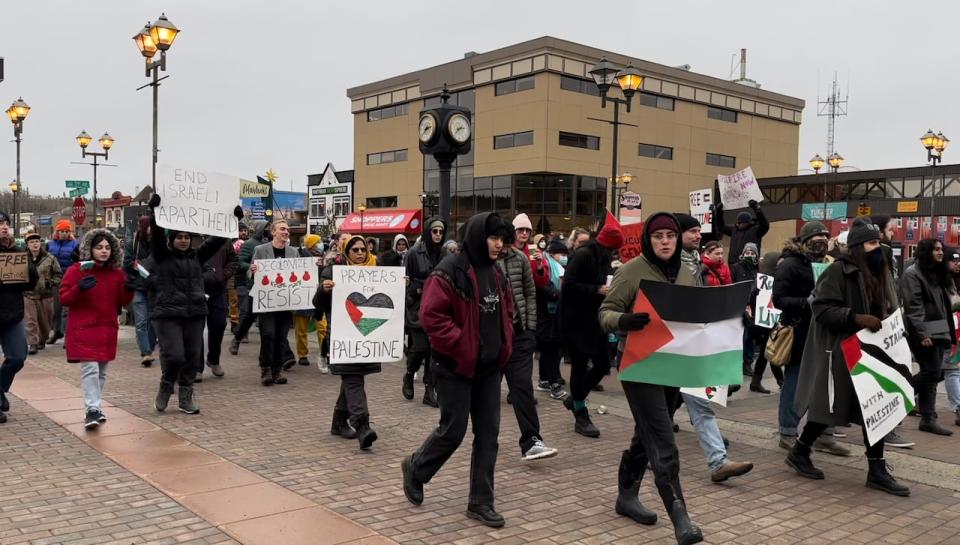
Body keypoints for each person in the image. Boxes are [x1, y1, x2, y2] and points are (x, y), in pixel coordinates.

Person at [402, 212, 514, 528]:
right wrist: (465, 345)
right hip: (455, 367)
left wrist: (505, 344)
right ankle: (416, 467)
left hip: (490, 369)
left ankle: (481, 501)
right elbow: (431, 316)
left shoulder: (497, 272)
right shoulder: (449, 271)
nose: (498, 244)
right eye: (493, 238)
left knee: (489, 435)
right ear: (478, 236)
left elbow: (506, 310)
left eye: (501, 239)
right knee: (453, 430)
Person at [598, 212, 703, 545]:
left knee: (647, 433)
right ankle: (680, 516)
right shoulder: (631, 271)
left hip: (673, 365)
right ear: (648, 239)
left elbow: (699, 318)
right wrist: (624, 320)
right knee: (662, 437)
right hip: (639, 363)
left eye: (670, 236)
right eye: (658, 236)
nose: (665, 242)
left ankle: (625, 495)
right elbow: (605, 313)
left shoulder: (687, 273)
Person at [787, 218, 911, 496]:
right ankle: (800, 451)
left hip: (874, 350)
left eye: (878, 241)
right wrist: (855, 318)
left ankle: (876, 470)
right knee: (829, 408)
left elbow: (890, 305)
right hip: (843, 350)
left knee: (875, 408)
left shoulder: (881, 271)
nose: (877, 247)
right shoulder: (837, 272)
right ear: (856, 247)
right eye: (871, 242)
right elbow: (821, 309)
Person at [146, 194, 236, 414]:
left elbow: (216, 240)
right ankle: (166, 385)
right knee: (175, 355)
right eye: (179, 237)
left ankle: (186, 396)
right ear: (171, 240)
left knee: (192, 356)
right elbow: (157, 235)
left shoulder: (197, 257)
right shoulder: (162, 256)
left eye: (187, 237)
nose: (184, 240)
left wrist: (231, 219)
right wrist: (154, 211)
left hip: (194, 313)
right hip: (168, 314)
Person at [773, 222, 851, 456]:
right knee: (795, 383)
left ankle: (824, 435)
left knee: (828, 384)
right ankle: (787, 432)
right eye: (816, 238)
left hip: (826, 332)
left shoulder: (830, 264)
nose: (821, 242)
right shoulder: (790, 264)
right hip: (799, 332)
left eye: (824, 237)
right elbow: (779, 300)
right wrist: (806, 302)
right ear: (805, 241)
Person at [60, 229, 133, 428]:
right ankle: (92, 409)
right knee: (90, 370)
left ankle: (96, 407)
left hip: (107, 328)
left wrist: (131, 287)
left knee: (101, 371)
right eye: (99, 247)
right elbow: (64, 299)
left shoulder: (116, 273)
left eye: (108, 248)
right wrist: (79, 288)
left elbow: (124, 301)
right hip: (84, 329)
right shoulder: (77, 270)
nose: (103, 251)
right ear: (89, 248)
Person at [315, 235, 381, 449]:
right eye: (355, 250)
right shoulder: (333, 271)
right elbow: (318, 303)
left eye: (363, 249)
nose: (360, 253)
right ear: (346, 251)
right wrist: (324, 290)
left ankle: (337, 422)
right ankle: (362, 427)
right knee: (354, 379)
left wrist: (401, 286)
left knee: (353, 379)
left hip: (366, 336)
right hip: (343, 336)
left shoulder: (376, 271)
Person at [499, 217, 557, 461]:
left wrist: (530, 328)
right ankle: (485, 437)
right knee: (487, 392)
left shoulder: (521, 258)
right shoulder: (479, 262)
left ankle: (532, 440)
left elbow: (531, 293)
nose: (499, 243)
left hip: (520, 334)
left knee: (522, 386)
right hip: (491, 338)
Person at [561, 211, 622, 437]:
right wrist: (597, 290)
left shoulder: (602, 259)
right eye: (614, 250)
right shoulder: (583, 255)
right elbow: (567, 287)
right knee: (578, 367)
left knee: (603, 365)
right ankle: (580, 412)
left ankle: (575, 397)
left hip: (595, 321)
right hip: (576, 321)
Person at [900, 238, 958, 436]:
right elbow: (914, 306)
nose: (941, 253)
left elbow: (944, 306)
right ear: (926, 251)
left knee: (934, 373)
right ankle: (899, 395)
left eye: (942, 249)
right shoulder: (913, 274)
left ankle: (928, 418)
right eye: (936, 249)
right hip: (922, 330)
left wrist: (949, 335)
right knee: (932, 372)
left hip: (939, 328)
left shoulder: (937, 273)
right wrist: (923, 333)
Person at [249, 220, 299, 386]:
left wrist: (313, 266)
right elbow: (251, 272)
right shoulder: (260, 250)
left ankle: (277, 371)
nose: (286, 232)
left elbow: (299, 274)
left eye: (288, 229)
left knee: (281, 337)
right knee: (268, 335)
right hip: (267, 302)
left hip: (285, 303)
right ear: (273, 232)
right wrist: (253, 270)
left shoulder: (293, 252)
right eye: (283, 229)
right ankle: (265, 368)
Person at [0, 211, 38, 424]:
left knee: (17, 357)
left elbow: (30, 282)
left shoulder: (17, 251)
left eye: (6, 223)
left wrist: (26, 262)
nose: (4, 227)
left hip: (12, 314)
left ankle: (0, 389)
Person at [403, 217, 447, 406]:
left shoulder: (445, 254)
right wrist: (411, 296)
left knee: (435, 352)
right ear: (428, 231)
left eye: (441, 231)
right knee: (419, 348)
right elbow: (406, 279)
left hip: (438, 307)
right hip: (418, 306)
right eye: (434, 231)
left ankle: (430, 390)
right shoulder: (414, 253)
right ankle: (409, 374)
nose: (438, 234)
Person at [200, 232, 238, 380]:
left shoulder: (224, 239)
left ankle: (213, 360)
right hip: (196, 290)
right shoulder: (191, 236)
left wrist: (223, 275)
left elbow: (234, 261)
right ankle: (197, 367)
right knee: (196, 329)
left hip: (218, 290)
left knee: (219, 325)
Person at [229, 220, 271, 355]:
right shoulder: (249, 244)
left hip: (269, 286)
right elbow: (240, 261)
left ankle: (285, 354)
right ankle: (238, 337)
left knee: (271, 321)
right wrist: (250, 267)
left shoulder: (270, 245)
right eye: (267, 228)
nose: (269, 230)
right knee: (248, 314)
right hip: (250, 285)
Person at [535, 238, 569, 400]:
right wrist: (558, 295)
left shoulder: (557, 267)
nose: (564, 257)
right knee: (551, 350)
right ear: (553, 254)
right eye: (561, 254)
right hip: (545, 314)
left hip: (550, 316)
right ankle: (554, 383)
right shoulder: (546, 266)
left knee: (548, 349)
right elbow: (543, 287)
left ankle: (544, 380)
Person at [747, 251, 785, 393]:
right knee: (770, 350)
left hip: (762, 321)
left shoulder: (762, 280)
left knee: (766, 351)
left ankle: (756, 382)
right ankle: (782, 382)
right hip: (764, 322)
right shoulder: (765, 282)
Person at [123, 216, 158, 366]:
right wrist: (140, 268)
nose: (151, 229)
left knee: (152, 321)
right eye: (149, 226)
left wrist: (143, 265)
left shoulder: (158, 244)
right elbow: (127, 263)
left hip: (153, 288)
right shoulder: (134, 244)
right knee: (141, 321)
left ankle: (148, 347)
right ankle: (146, 352)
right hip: (138, 287)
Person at [23, 233, 62, 354]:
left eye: (37, 241)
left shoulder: (50, 258)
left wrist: (51, 283)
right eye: (32, 242)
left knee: (46, 322)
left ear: (40, 243)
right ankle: (33, 343)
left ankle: (42, 339)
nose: (35, 244)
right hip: (28, 294)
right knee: (30, 320)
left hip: (46, 294)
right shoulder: (23, 258)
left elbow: (58, 274)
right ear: (28, 245)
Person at [293, 234, 326, 368]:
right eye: (318, 242)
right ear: (311, 244)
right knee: (301, 328)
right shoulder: (299, 256)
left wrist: (322, 266)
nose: (321, 244)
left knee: (323, 328)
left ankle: (325, 352)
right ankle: (302, 355)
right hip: (303, 297)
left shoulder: (323, 257)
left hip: (319, 297)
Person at [46, 219, 78, 345]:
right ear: (57, 232)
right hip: (55, 279)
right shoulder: (50, 244)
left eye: (66, 231)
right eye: (61, 231)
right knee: (56, 309)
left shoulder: (75, 244)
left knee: (67, 310)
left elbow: (78, 261)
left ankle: (67, 336)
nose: (64, 233)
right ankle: (57, 331)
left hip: (69, 279)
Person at [732, 243, 760, 377]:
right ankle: (738, 363)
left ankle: (747, 363)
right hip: (739, 306)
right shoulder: (736, 268)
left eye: (752, 253)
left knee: (750, 337)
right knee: (740, 336)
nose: (749, 255)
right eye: (747, 253)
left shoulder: (758, 269)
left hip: (753, 307)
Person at [714, 199, 769, 265]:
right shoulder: (734, 230)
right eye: (738, 223)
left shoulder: (756, 230)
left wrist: (756, 208)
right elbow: (721, 227)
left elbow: (765, 225)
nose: (739, 225)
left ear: (747, 223)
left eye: (741, 223)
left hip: (749, 266)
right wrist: (719, 211)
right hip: (733, 265)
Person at [942, 248, 960, 426]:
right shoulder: (942, 281)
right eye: (953, 260)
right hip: (947, 331)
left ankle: (915, 398)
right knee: (952, 370)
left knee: (937, 373)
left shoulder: (954, 280)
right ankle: (959, 409)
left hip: (955, 331)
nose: (957, 263)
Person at [228, 222, 249, 331]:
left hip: (244, 277)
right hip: (232, 276)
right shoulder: (230, 243)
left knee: (243, 302)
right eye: (241, 230)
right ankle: (234, 322)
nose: (244, 233)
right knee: (234, 300)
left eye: (245, 231)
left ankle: (242, 322)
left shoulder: (249, 244)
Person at [870, 215, 900, 280]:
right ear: (880, 233)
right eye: (889, 230)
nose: (892, 233)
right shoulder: (879, 256)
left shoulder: (887, 251)